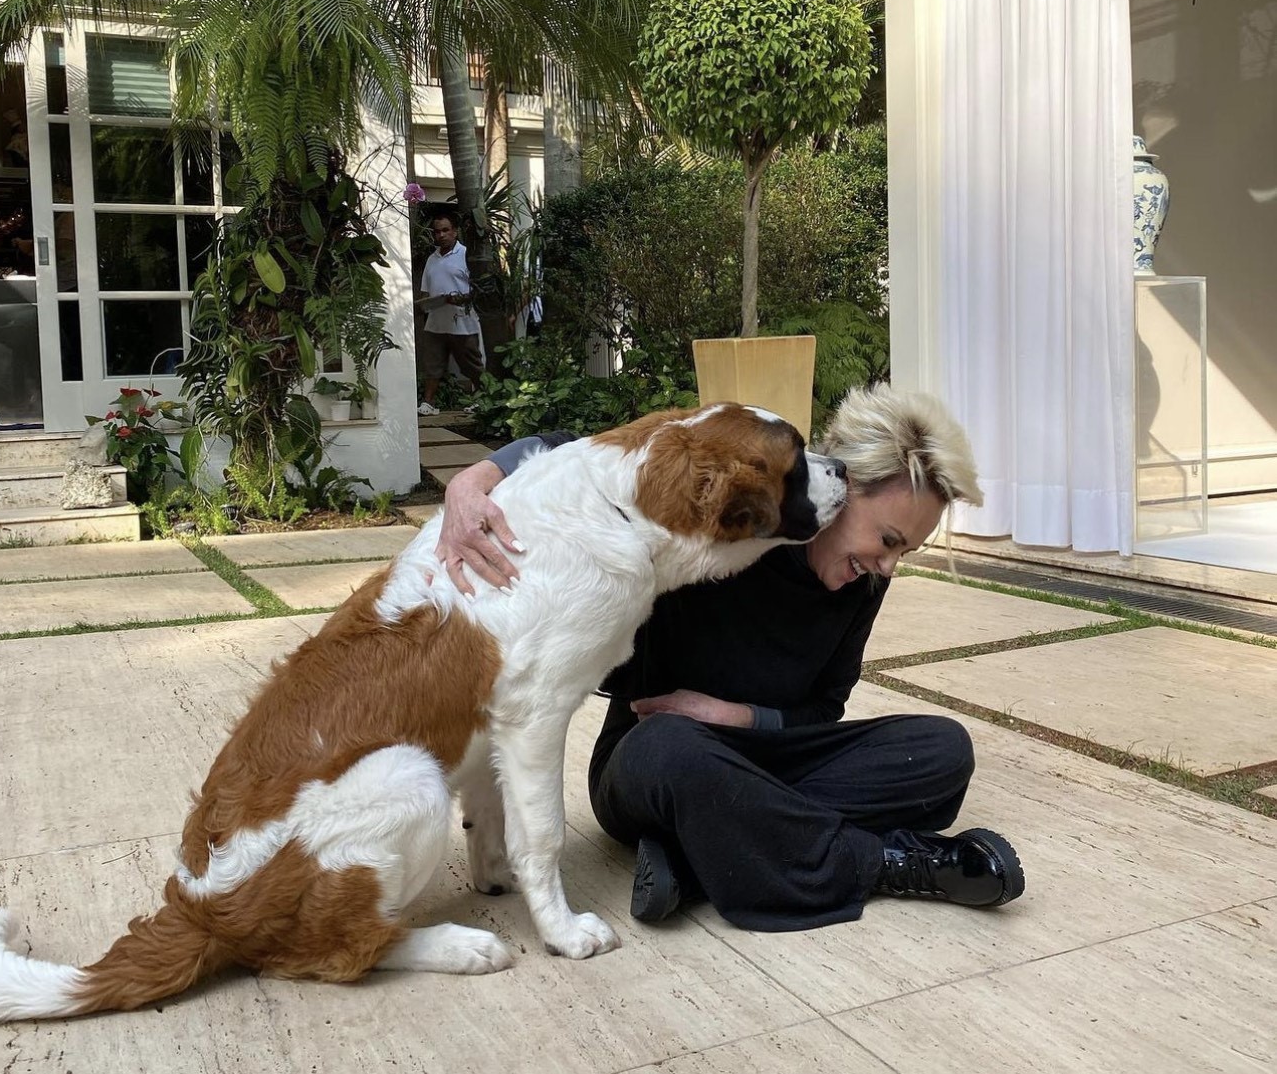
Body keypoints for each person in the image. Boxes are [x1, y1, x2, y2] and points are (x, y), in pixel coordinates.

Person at [435, 387, 1026, 931]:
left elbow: (826, 707)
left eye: (906, 552)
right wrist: (471, 483)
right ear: (843, 489)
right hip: (654, 760)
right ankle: (888, 863)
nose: (889, 565)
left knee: (941, 751)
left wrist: (733, 716)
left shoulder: (862, 582)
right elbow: (582, 453)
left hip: (773, 762)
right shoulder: (735, 510)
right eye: (889, 541)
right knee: (674, 750)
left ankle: (699, 863)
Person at [418, 213, 483, 417]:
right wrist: (424, 305)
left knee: (471, 364)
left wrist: (461, 298)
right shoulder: (432, 258)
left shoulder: (466, 255)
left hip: (463, 321)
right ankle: (428, 403)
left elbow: (478, 289)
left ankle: (482, 400)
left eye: (446, 230)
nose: (441, 235)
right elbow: (425, 291)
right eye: (437, 232)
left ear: (455, 231)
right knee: (432, 364)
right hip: (436, 322)